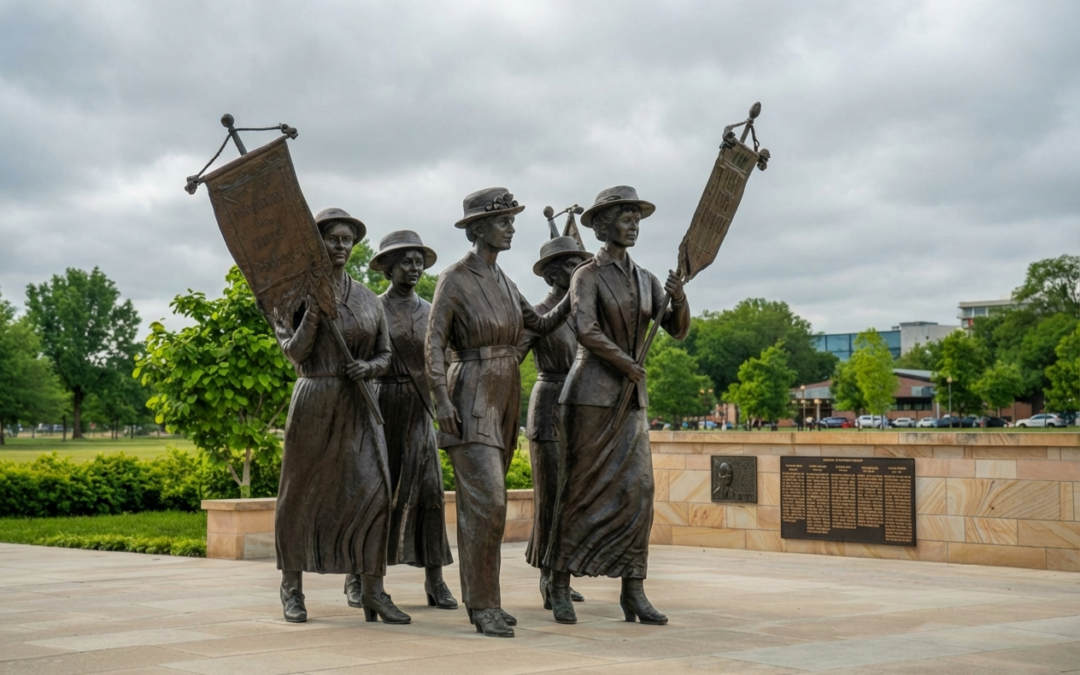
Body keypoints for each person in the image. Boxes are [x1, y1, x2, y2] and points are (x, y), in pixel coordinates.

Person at [425, 187, 571, 638]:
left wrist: (578, 288)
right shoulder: (455, 278)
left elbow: (541, 325)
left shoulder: (506, 282)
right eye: (503, 220)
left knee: (490, 505)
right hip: (468, 391)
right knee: (487, 502)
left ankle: (485, 598)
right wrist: (440, 400)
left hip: (504, 394)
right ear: (477, 229)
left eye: (512, 220)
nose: (511, 228)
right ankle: (483, 604)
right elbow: (431, 343)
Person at [545, 186, 690, 626]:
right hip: (590, 394)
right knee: (578, 491)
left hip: (630, 401)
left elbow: (676, 330)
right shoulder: (586, 275)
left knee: (638, 492)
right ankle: (558, 582)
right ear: (603, 226)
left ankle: (634, 588)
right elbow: (586, 329)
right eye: (625, 219)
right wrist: (626, 362)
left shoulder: (647, 278)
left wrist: (678, 297)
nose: (634, 225)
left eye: (637, 218)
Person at [273, 208, 409, 625]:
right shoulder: (292, 293)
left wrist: (368, 369)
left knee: (374, 490)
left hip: (358, 401)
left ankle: (372, 589)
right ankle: (292, 589)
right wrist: (314, 312)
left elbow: (386, 354)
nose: (341, 246)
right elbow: (294, 354)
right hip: (315, 397)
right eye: (333, 238)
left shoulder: (367, 297)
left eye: (348, 240)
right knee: (300, 495)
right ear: (316, 243)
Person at [368, 230, 457, 610]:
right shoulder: (374, 307)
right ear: (388, 267)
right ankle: (363, 579)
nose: (415, 267)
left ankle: (435, 580)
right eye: (406, 261)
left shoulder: (431, 308)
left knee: (430, 494)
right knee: (377, 495)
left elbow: (444, 354)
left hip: (421, 410)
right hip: (385, 406)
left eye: (419, 261)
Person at [518, 236, 592, 610]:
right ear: (550, 273)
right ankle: (549, 576)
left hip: (580, 408)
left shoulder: (584, 314)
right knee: (551, 497)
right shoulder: (537, 313)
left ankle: (563, 569)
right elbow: (512, 357)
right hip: (548, 406)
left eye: (578, 263)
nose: (576, 270)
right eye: (567, 265)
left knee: (574, 498)